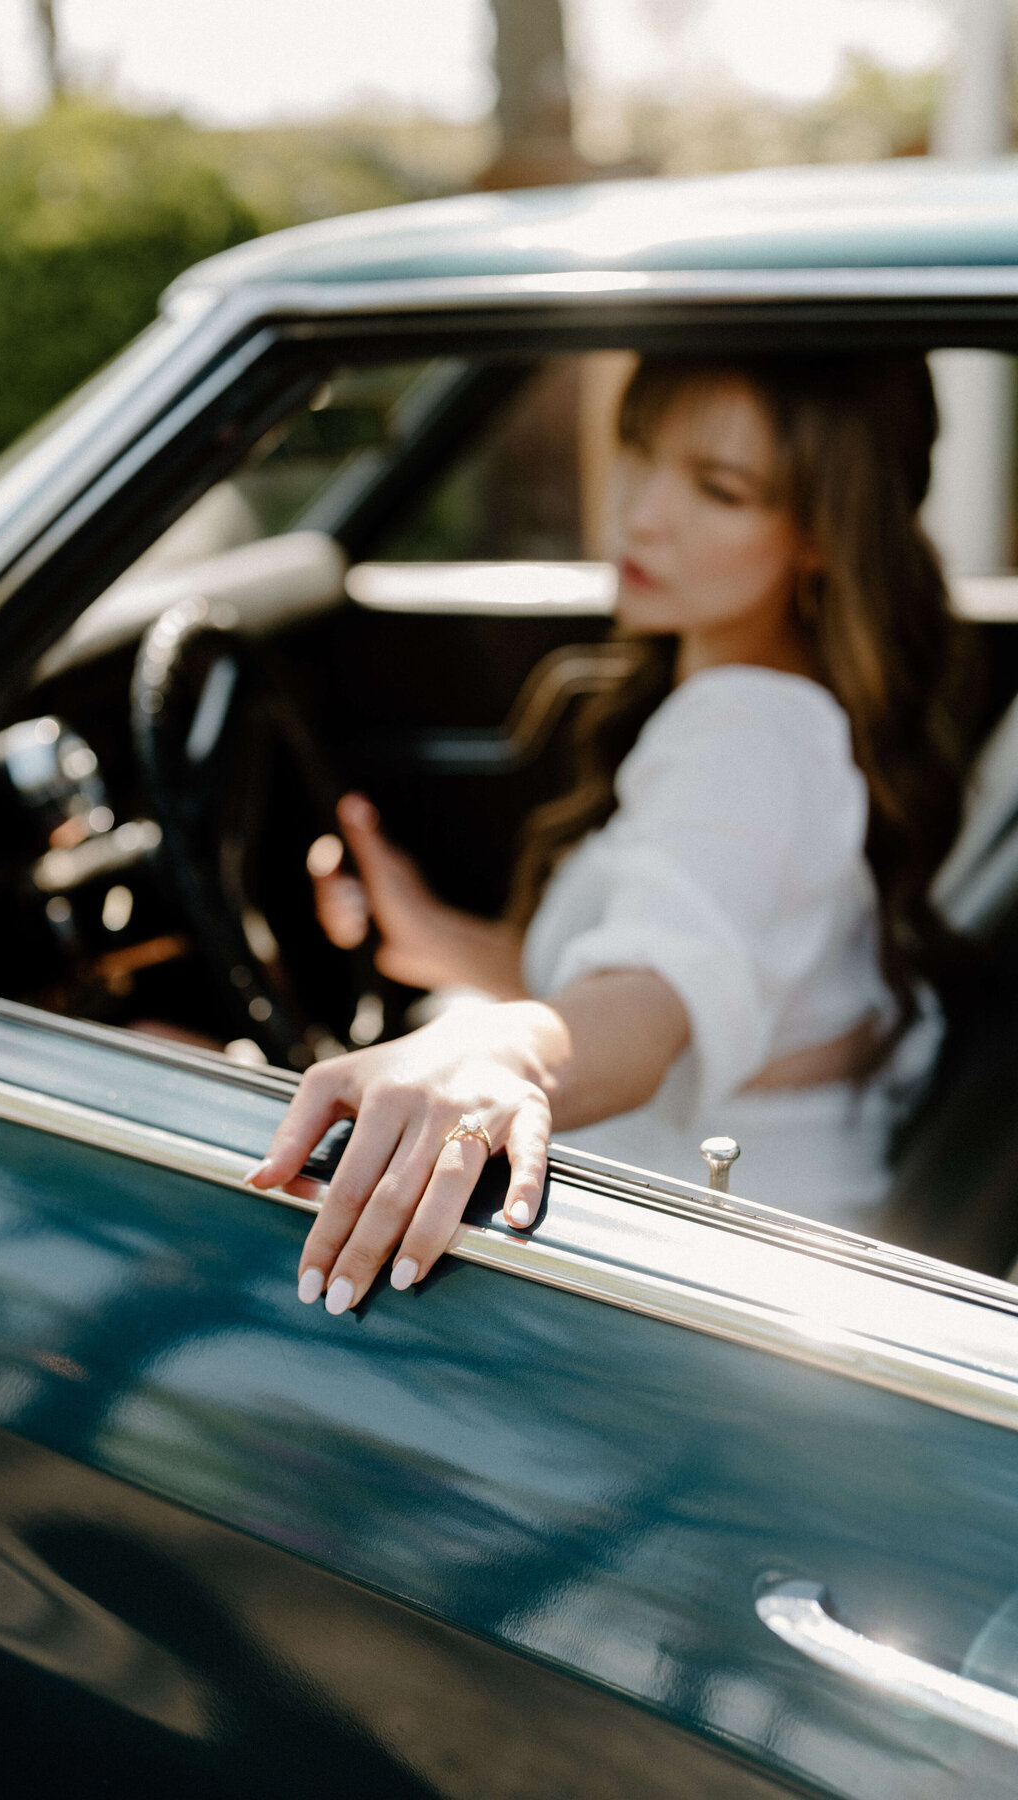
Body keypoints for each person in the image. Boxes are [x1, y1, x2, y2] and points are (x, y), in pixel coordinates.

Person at [245, 352, 980, 1315]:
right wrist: (436, 937)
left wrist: (504, 1057)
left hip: (707, 1292)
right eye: (639, 453)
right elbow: (691, 957)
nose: (641, 512)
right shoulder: (771, 713)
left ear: (822, 538)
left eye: (719, 489)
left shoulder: (751, 739)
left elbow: (657, 994)